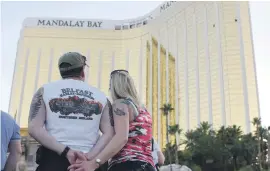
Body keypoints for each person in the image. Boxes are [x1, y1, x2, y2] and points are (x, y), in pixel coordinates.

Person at [28, 52, 114, 171]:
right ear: (82, 71)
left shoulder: (44, 91)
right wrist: (89, 157)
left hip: (54, 159)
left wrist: (66, 151)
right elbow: (109, 133)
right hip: (88, 161)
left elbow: (34, 128)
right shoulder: (101, 96)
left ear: (61, 71)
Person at [69, 69, 155, 171]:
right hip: (147, 165)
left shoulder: (120, 104)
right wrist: (88, 156)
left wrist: (94, 163)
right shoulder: (144, 110)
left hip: (126, 165)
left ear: (113, 87)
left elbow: (121, 137)